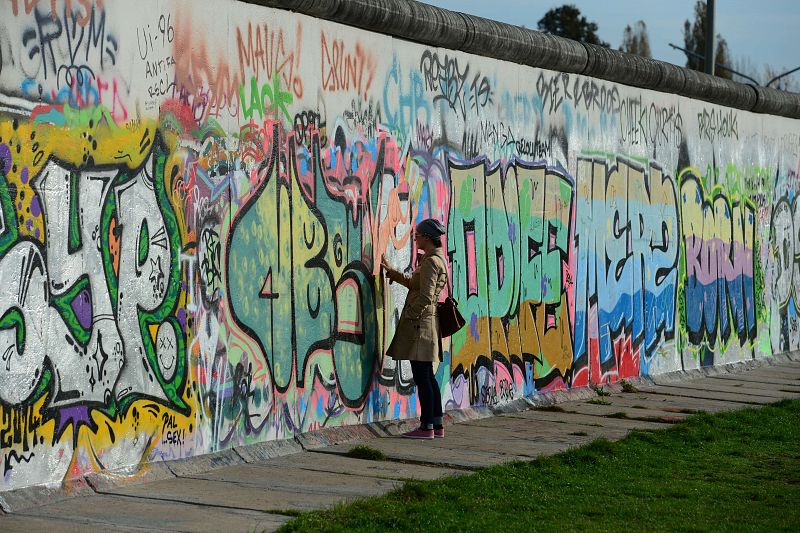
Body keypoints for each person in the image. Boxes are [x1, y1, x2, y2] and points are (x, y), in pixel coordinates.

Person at [381, 218, 448, 440]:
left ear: (427, 237)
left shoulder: (430, 262)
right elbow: (415, 284)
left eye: (417, 234)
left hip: (420, 326)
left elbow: (427, 296)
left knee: (422, 377)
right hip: (427, 324)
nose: (415, 237)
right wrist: (394, 273)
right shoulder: (437, 259)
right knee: (428, 375)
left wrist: (410, 315)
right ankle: (436, 424)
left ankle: (426, 426)